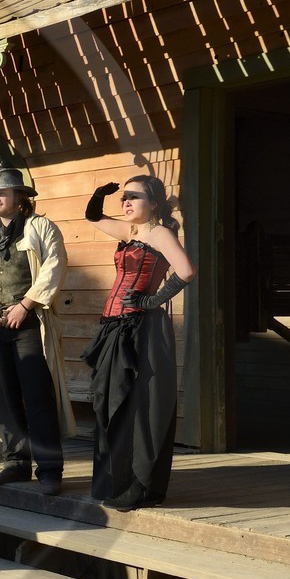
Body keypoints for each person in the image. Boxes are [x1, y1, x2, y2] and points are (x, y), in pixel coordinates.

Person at [0, 168, 77, 491]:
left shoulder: (41, 228)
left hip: (30, 326)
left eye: (2, 193)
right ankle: (16, 463)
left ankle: (50, 469)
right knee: (4, 398)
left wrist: (26, 304)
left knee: (38, 397)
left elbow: (55, 266)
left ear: (20, 199)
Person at [80, 174, 195, 510]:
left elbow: (186, 270)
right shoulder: (131, 231)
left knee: (142, 407)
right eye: (123, 197)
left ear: (155, 204)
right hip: (115, 327)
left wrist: (151, 301)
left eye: (134, 196)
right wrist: (100, 195)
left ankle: (141, 486)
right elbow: (93, 217)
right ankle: (114, 481)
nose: (126, 202)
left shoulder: (159, 232)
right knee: (110, 402)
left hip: (142, 329)